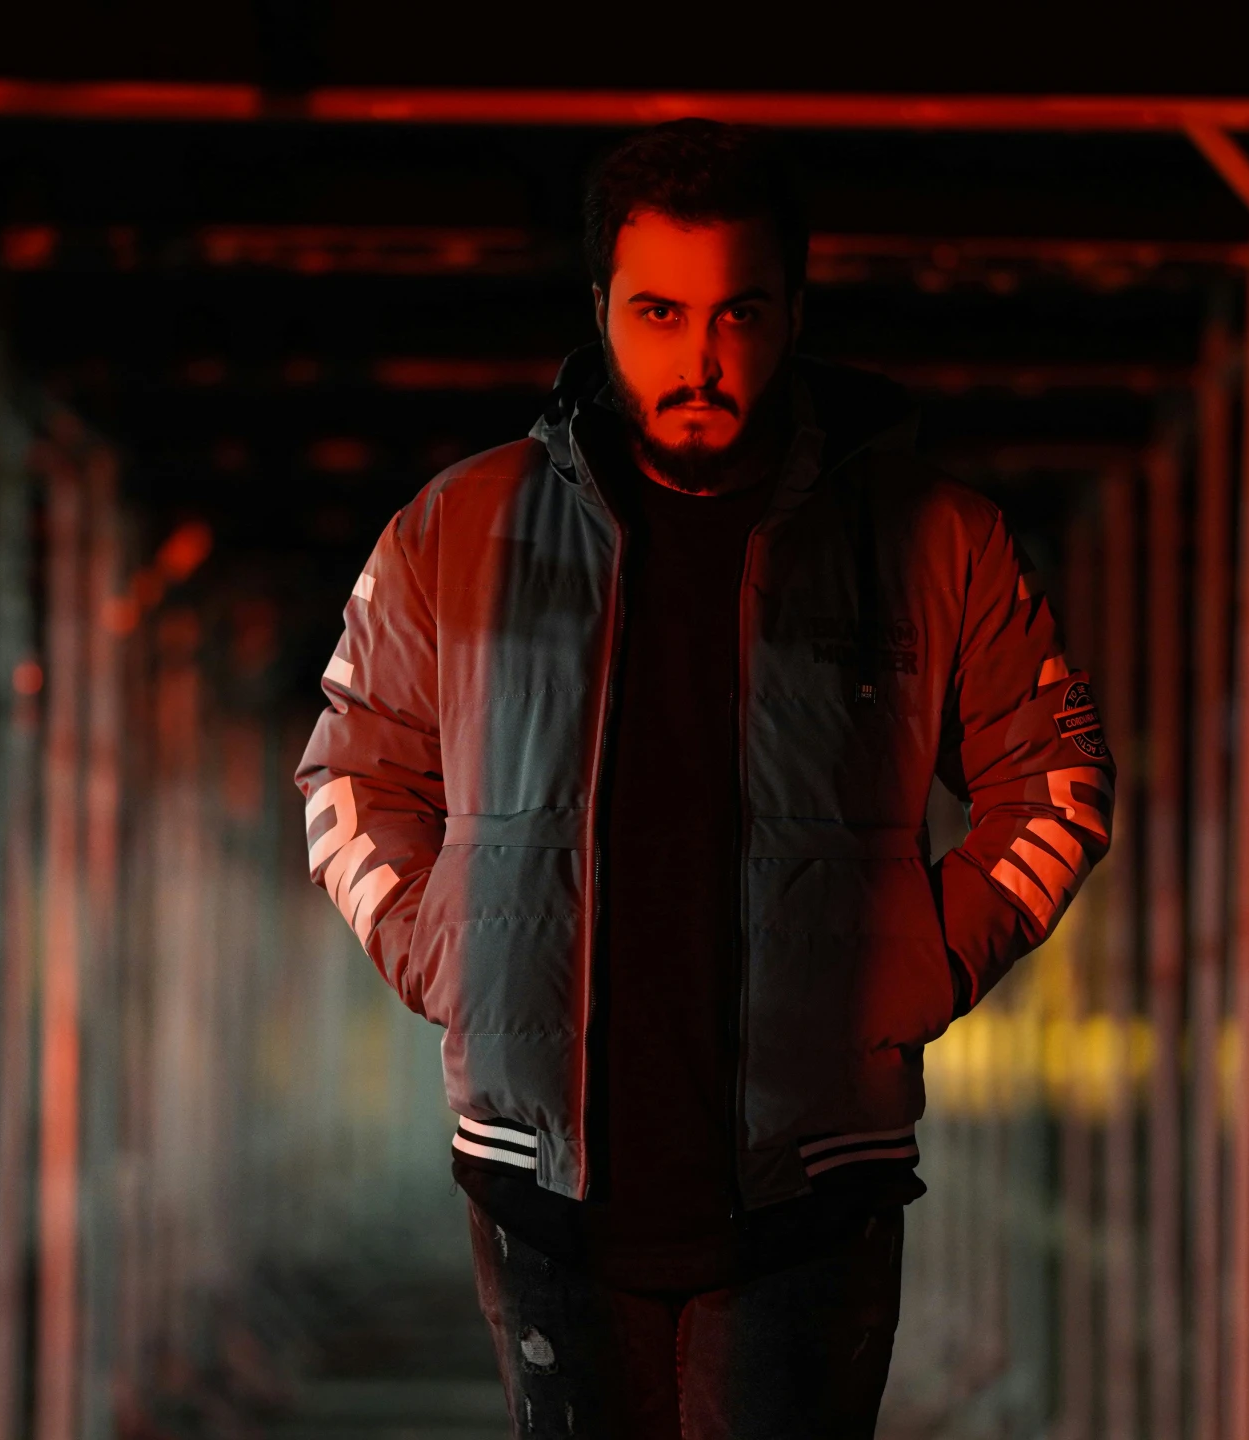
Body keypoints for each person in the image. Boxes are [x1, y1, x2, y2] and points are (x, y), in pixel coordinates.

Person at [293, 118, 1115, 1438]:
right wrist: (443, 947)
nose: (700, 358)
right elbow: (349, 777)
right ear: (602, 313)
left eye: (736, 314)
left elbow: (1058, 775)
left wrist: (917, 964)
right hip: (545, 1190)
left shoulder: (931, 537)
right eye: (659, 313)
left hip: (810, 1186)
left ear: (792, 310)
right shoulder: (458, 528)